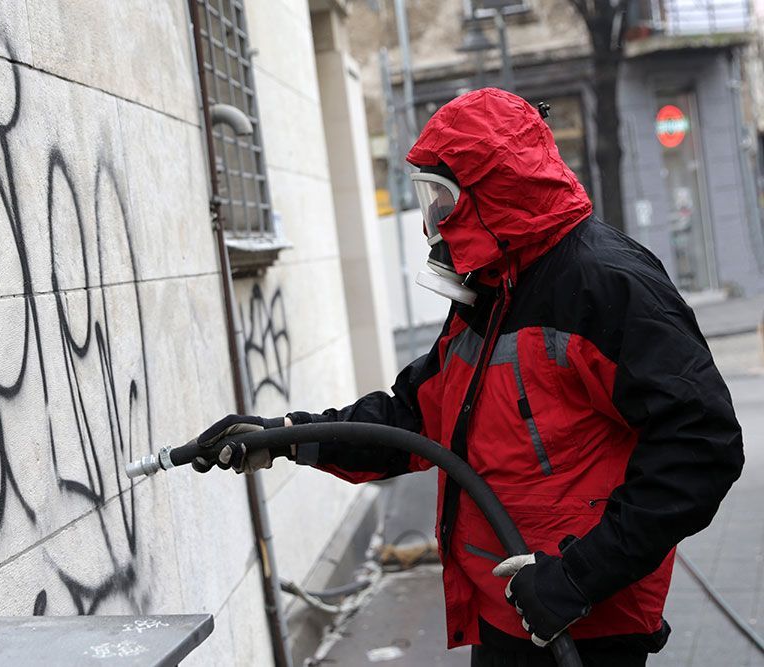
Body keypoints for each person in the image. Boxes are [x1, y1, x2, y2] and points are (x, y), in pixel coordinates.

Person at [192, 88, 744, 666]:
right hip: (508, 609)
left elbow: (702, 445)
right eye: (427, 199)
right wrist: (285, 435)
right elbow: (413, 419)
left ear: (495, 192)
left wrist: (578, 577)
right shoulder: (492, 290)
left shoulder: (606, 283)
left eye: (443, 200)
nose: (433, 224)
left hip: (582, 620)